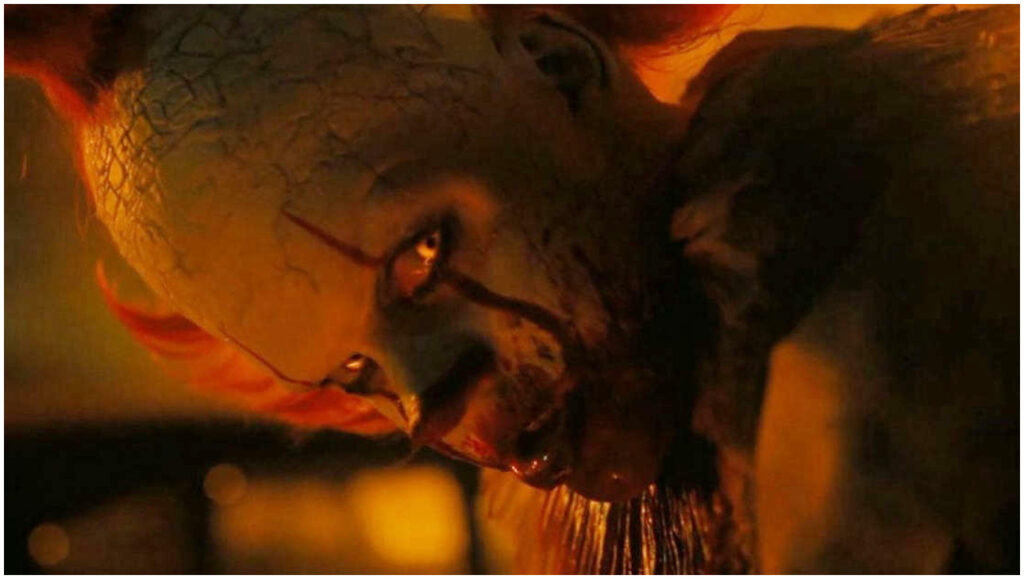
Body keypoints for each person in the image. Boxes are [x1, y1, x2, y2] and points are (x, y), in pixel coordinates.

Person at [6, 5, 1018, 573]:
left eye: (420, 258)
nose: (424, 404)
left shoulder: (932, 259)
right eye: (357, 373)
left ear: (559, 64)